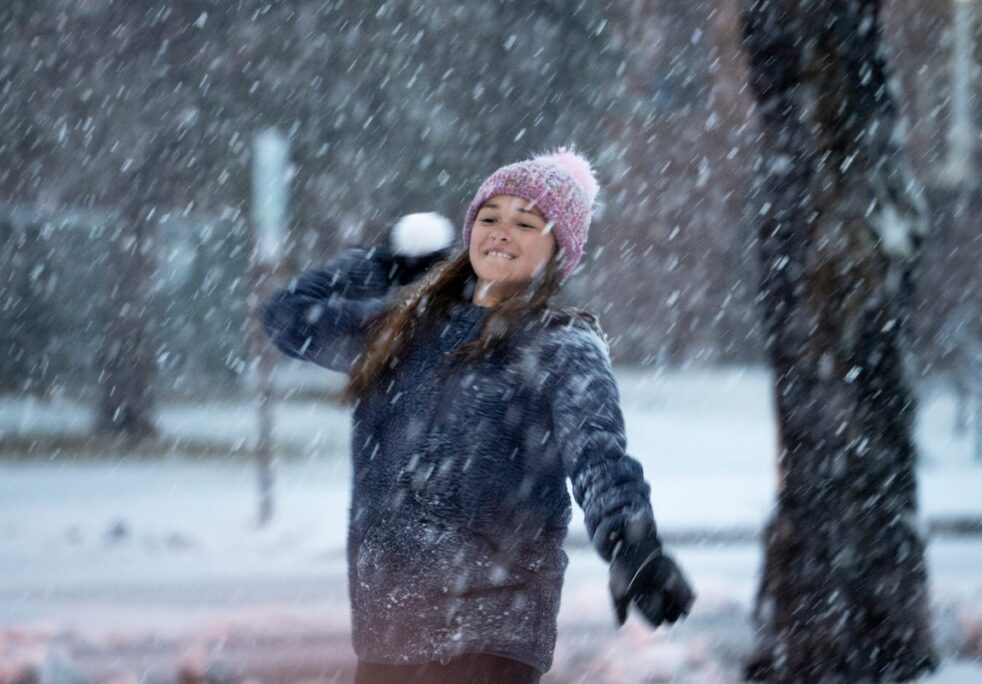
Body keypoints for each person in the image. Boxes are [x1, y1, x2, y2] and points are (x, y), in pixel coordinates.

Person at [260, 148, 694, 684]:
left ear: (560, 250)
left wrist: (633, 543)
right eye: (489, 217)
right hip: (387, 631)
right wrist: (380, 266)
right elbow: (287, 317)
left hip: (492, 633)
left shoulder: (560, 344)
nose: (502, 231)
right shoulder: (405, 328)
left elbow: (599, 455)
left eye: (526, 221)